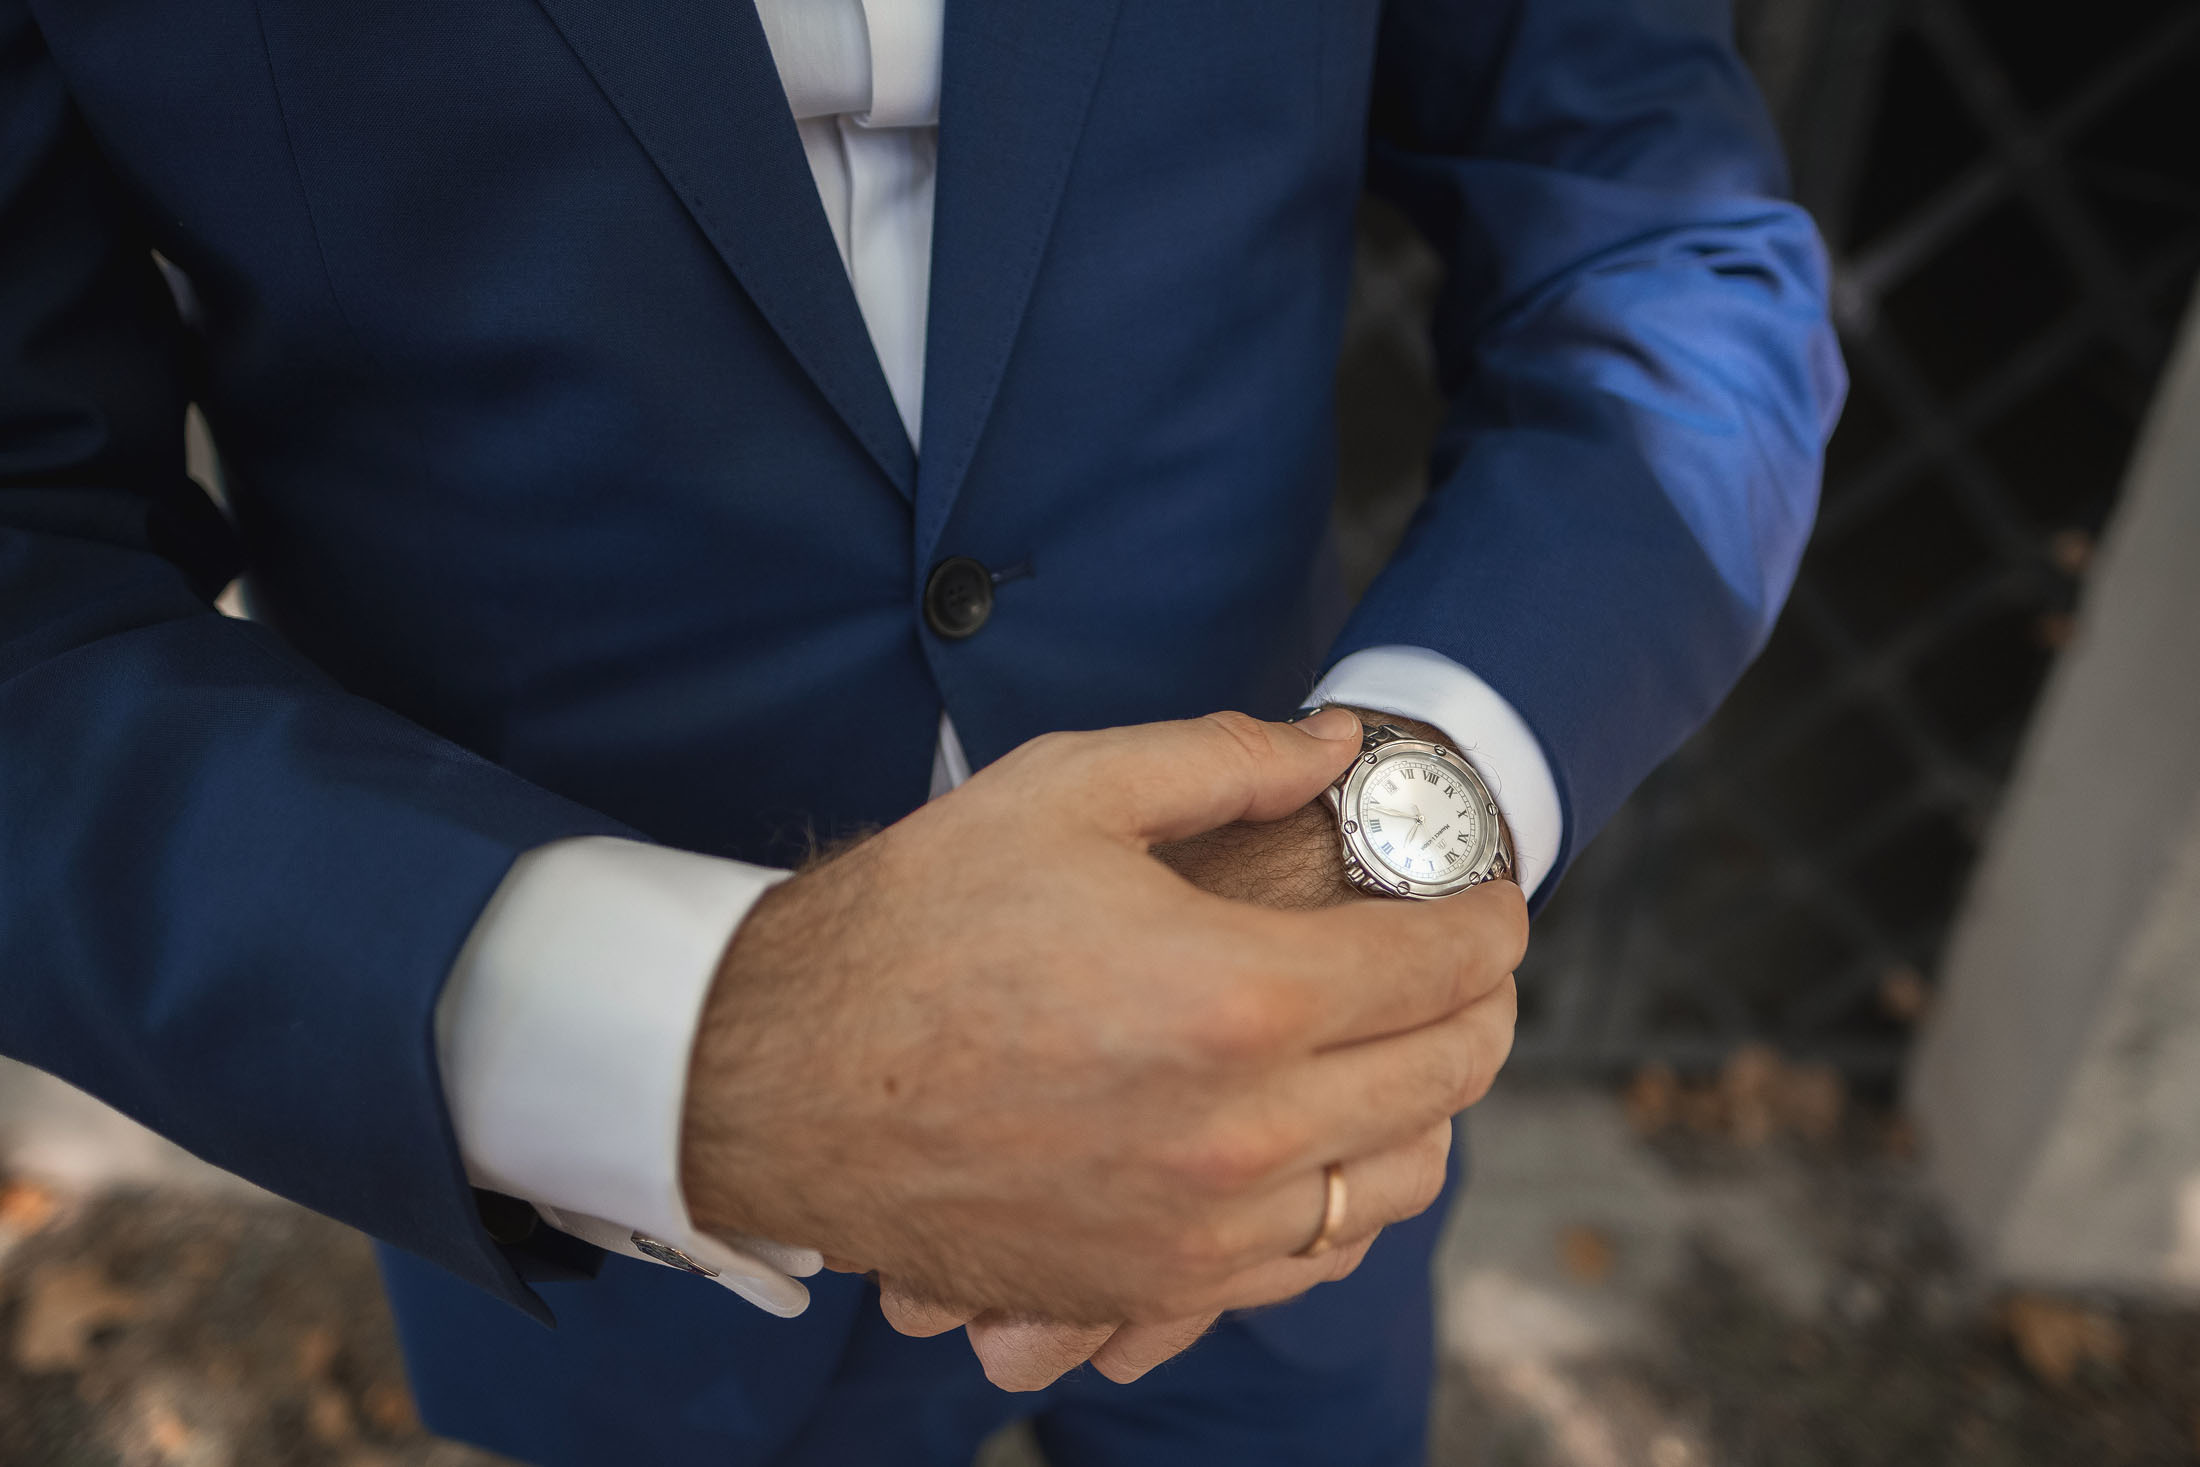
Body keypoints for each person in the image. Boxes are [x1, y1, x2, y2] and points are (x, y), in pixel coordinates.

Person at [0, 0, 1843, 1461]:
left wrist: (1376, 831)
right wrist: (722, 1052)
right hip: (618, 1227)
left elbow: (1657, 236)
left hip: (1290, 1095)